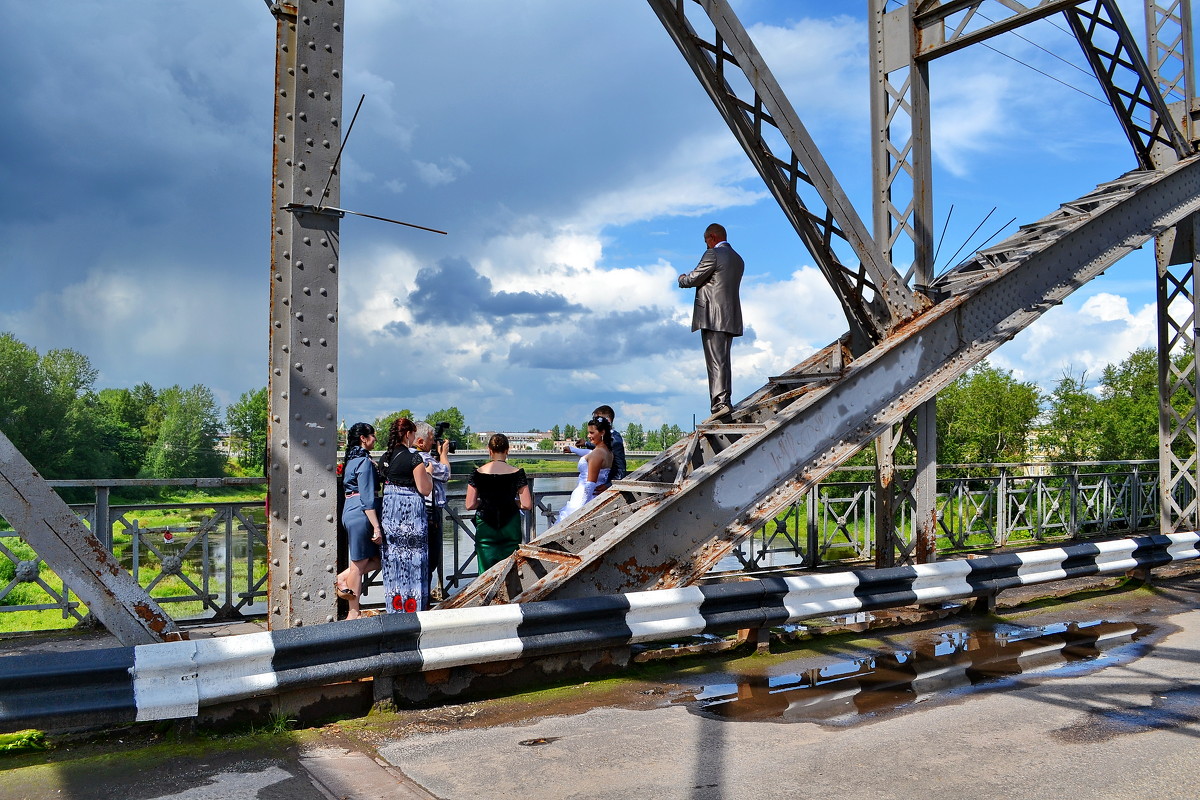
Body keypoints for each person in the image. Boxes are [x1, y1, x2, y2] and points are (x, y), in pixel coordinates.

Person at [678, 222, 744, 417]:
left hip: (712, 315)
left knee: (715, 361)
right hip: (730, 316)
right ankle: (726, 399)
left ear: (712, 237)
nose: (705, 244)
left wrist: (682, 278)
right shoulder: (738, 259)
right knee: (723, 360)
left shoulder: (713, 254)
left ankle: (719, 403)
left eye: (706, 240)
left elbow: (693, 279)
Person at [378, 417, 432, 613]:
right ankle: (413, 605)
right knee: (414, 558)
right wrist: (429, 473)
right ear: (409, 434)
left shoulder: (385, 457)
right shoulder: (414, 458)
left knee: (394, 558)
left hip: (390, 514)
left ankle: (395, 605)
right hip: (410, 516)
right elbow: (424, 489)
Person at [465, 433, 534, 571]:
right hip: (510, 526)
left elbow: (469, 504)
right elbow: (527, 504)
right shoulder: (517, 473)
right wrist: (511, 502)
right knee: (510, 570)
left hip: (486, 526)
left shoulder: (477, 473)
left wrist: (485, 503)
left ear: (489, 450)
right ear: (507, 450)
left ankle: (486, 592)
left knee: (485, 573)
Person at [336, 422, 382, 620]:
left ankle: (341, 578)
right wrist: (376, 526)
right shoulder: (363, 462)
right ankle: (353, 613)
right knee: (359, 564)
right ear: (363, 438)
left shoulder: (352, 460)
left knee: (375, 560)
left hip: (350, 509)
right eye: (372, 435)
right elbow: (367, 498)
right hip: (361, 512)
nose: (375, 439)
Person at [413, 421, 451, 599]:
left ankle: (420, 597)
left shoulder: (410, 455)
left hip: (419, 512)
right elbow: (445, 474)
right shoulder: (423, 458)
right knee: (430, 559)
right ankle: (424, 598)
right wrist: (443, 454)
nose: (432, 443)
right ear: (420, 441)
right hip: (429, 513)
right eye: (430, 439)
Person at [554, 416, 614, 525]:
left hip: (584, 497)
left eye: (591, 433)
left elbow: (590, 484)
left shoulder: (597, 454)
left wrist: (581, 511)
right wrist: (573, 449)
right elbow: (588, 453)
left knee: (565, 525)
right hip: (597, 496)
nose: (588, 436)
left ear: (602, 432)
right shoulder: (607, 451)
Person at [564, 405, 627, 488]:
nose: (594, 422)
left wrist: (609, 486)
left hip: (604, 486)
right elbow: (600, 448)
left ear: (607, 420)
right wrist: (585, 444)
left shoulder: (615, 440)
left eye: (597, 419)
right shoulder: (606, 438)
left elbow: (620, 468)